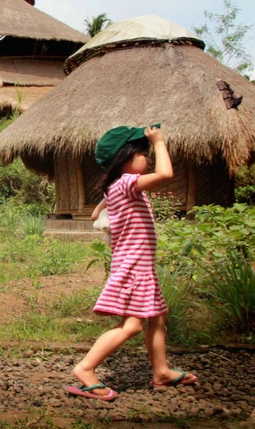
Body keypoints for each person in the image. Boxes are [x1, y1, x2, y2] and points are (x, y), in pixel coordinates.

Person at [67, 125, 198, 401]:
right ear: (124, 159)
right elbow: (165, 174)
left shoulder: (117, 188)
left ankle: (161, 371)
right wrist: (159, 142)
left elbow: (101, 209)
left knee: (157, 318)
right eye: (142, 152)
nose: (147, 157)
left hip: (140, 266)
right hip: (134, 268)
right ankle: (85, 368)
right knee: (133, 325)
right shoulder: (126, 183)